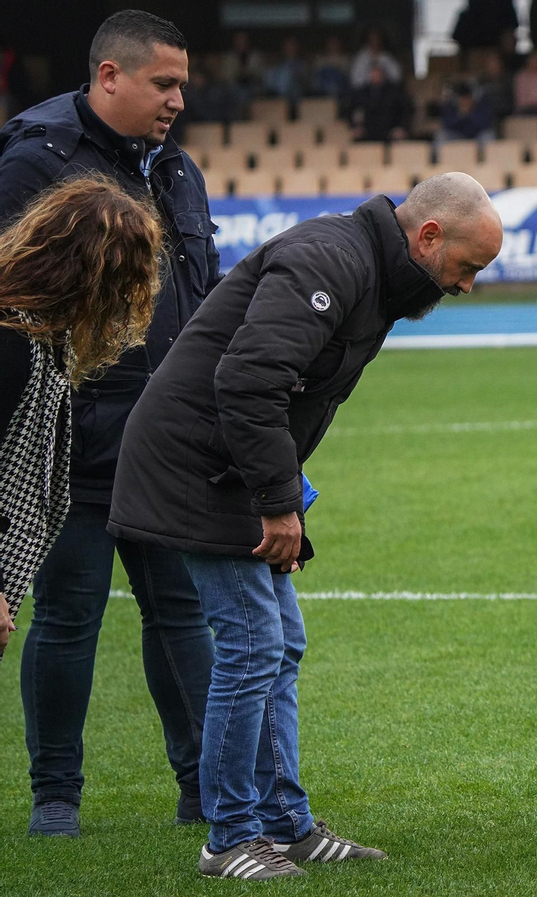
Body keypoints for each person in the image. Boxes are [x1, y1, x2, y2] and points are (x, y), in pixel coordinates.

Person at [107, 172, 504, 880]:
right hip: (196, 465)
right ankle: (229, 836)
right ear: (429, 236)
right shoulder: (333, 258)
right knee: (253, 643)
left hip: (228, 462)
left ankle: (285, 824)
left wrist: (282, 487)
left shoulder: (378, 274)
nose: (468, 284)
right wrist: (277, 498)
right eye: (467, 266)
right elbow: (248, 380)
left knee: (280, 641)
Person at [0, 9, 224, 838]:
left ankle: (203, 787)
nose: (176, 101)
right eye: (163, 84)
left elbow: (200, 300)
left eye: (182, 88)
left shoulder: (177, 171)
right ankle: (55, 796)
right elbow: (17, 301)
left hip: (168, 440)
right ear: (108, 77)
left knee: (180, 612)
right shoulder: (36, 159)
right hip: (74, 437)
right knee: (67, 615)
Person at [0, 176, 162, 663]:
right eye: (125, 283)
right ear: (90, 274)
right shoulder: (10, 342)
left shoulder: (45, 338)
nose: (125, 304)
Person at [347, 62, 413, 142]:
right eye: (373, 74)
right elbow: (351, 110)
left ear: (383, 75)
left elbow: (407, 110)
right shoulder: (362, 93)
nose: (375, 76)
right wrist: (355, 126)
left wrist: (401, 127)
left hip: (390, 131)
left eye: (378, 74)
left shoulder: (395, 92)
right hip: (367, 133)